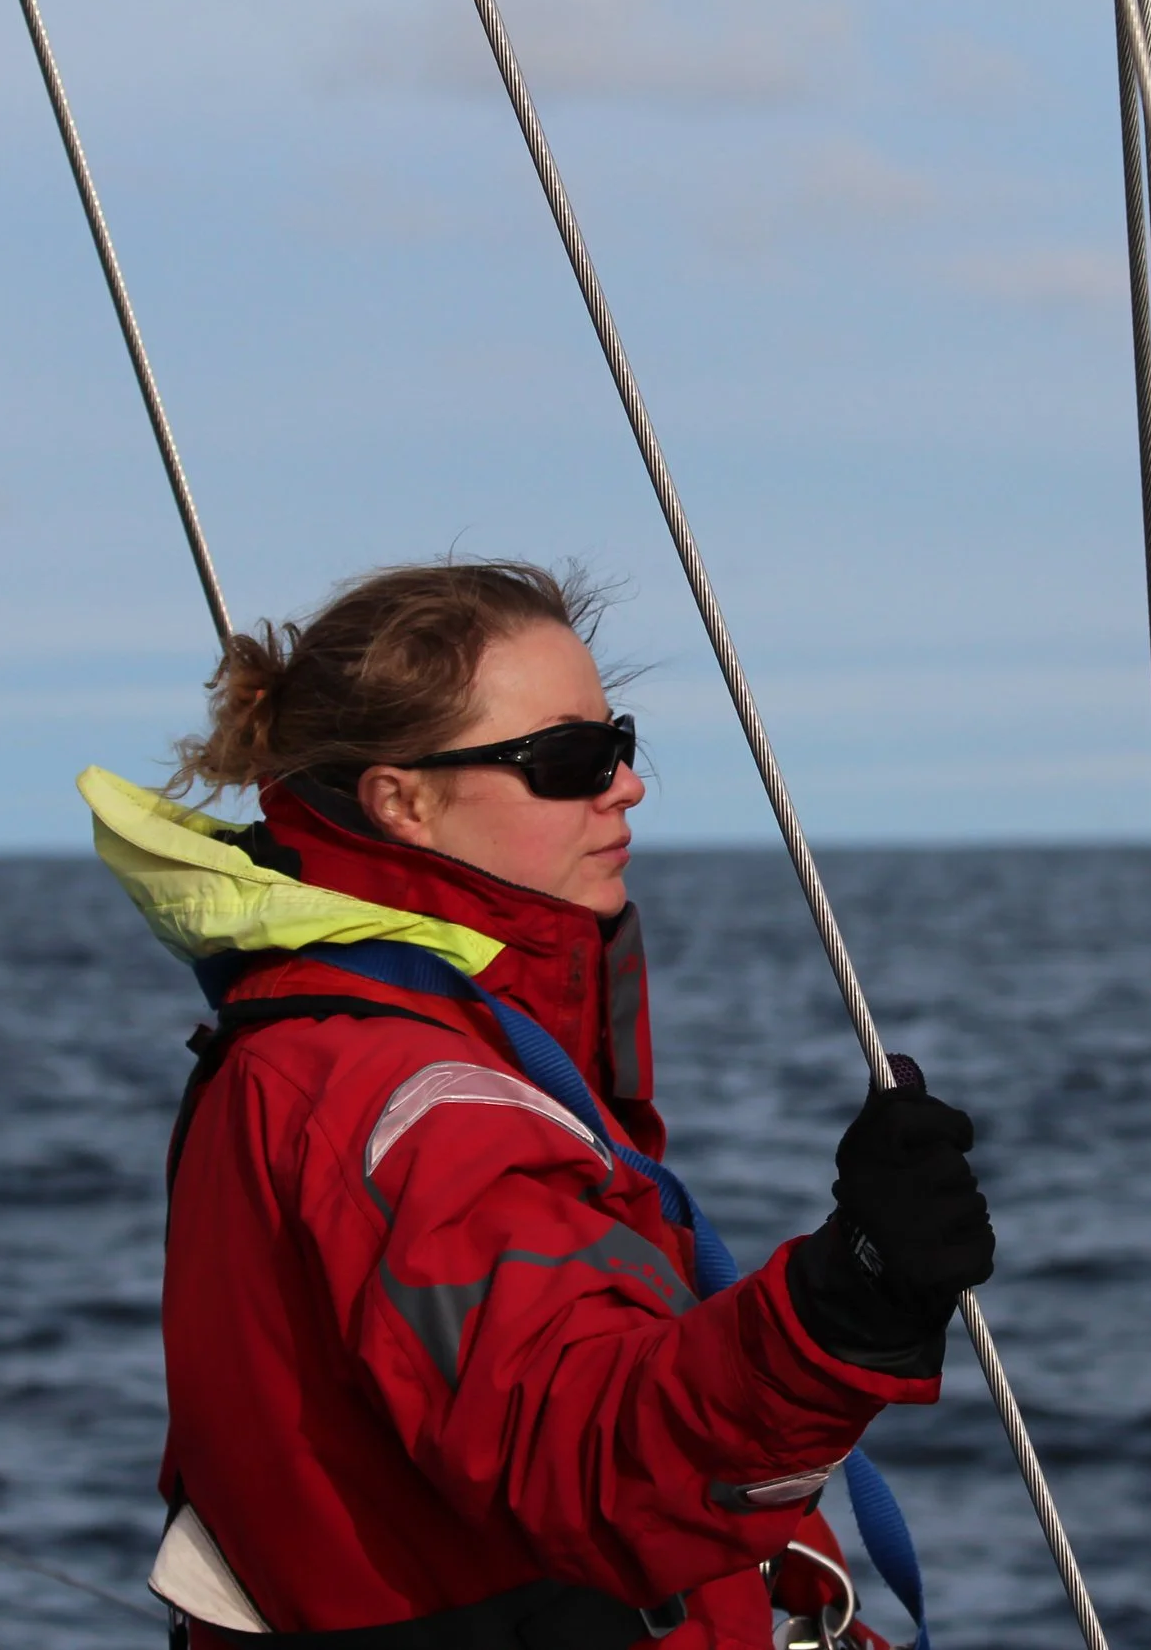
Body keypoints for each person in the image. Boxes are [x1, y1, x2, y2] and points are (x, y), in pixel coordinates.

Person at [79, 560, 994, 1650]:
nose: (625, 785)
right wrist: (847, 1302)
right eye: (567, 760)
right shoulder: (409, 1094)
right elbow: (587, 1463)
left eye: (620, 743)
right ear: (401, 800)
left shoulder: (386, 1035)